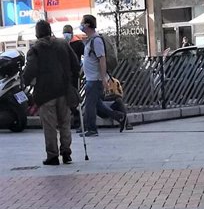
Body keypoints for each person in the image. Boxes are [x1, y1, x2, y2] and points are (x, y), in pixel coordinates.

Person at [23, 20, 81, 165]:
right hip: (64, 90)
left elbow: (30, 70)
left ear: (37, 33)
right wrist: (72, 79)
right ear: (50, 30)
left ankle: (52, 155)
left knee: (49, 125)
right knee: (64, 123)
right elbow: (75, 64)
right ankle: (66, 152)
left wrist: (26, 81)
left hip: (45, 93)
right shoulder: (63, 44)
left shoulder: (35, 50)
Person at [80, 14, 127, 136]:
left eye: (82, 23)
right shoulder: (90, 40)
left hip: (95, 79)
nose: (80, 25)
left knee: (90, 105)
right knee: (97, 104)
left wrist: (103, 79)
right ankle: (119, 116)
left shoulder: (96, 41)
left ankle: (91, 129)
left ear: (88, 25)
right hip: (91, 78)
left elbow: (102, 59)